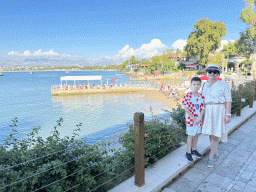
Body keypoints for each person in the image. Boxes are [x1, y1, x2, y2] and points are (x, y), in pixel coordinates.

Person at [202, 64, 232, 168]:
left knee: (216, 134)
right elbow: (202, 100)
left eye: (215, 72)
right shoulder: (204, 85)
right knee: (211, 133)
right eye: (210, 71)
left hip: (219, 111)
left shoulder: (224, 85)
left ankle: (211, 156)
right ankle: (214, 151)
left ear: (217, 74)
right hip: (208, 111)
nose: (212, 73)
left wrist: (228, 115)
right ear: (206, 72)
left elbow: (228, 100)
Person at [181, 77, 205, 162]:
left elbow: (202, 108)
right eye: (194, 84)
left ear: (200, 85)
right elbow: (186, 107)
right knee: (190, 135)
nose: (196, 86)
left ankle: (194, 149)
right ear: (191, 85)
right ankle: (188, 152)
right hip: (191, 120)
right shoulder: (188, 95)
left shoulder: (202, 96)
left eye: (198, 84)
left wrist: (199, 118)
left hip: (199, 120)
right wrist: (194, 118)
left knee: (197, 134)